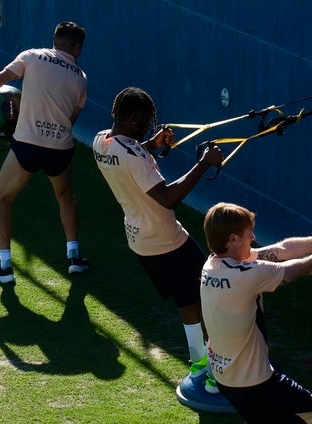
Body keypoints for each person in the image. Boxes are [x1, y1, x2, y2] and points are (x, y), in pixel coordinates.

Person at [92, 87, 223, 393]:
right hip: (168, 240)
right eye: (147, 123)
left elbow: (129, 155)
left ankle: (199, 362)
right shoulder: (135, 155)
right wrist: (205, 162)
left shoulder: (101, 141)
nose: (149, 127)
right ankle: (219, 376)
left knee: (186, 300)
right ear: (135, 119)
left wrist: (150, 144)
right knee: (213, 298)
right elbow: (168, 197)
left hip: (140, 243)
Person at [200, 202, 312, 424]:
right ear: (233, 239)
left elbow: (283, 249)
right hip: (256, 383)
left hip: (227, 378)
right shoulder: (247, 275)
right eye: (248, 234)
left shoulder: (212, 265)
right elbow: (305, 267)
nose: (253, 237)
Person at [0, 21, 89, 284]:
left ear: (55, 40)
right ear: (78, 47)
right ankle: (74, 258)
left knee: (2, 198)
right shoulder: (81, 80)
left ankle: (4, 267)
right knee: (65, 195)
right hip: (61, 149)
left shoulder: (32, 56)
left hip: (28, 145)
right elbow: (70, 120)